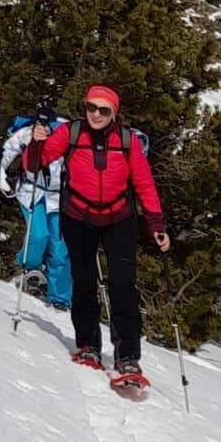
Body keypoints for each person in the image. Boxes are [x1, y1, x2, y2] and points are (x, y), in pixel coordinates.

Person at [37, 83, 167, 380]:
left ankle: (128, 357)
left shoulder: (127, 141)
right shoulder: (69, 133)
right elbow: (36, 162)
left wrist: (156, 224)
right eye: (90, 107)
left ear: (114, 113)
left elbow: (144, 183)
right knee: (83, 282)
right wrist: (36, 142)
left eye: (103, 109)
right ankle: (87, 345)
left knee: (123, 284)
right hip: (78, 217)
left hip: (118, 218)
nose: (95, 114)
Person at [0, 113, 72, 309]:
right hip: (31, 192)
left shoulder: (72, 137)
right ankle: (27, 268)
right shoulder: (31, 131)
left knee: (60, 248)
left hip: (58, 198)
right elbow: (8, 149)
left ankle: (61, 299)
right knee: (39, 235)